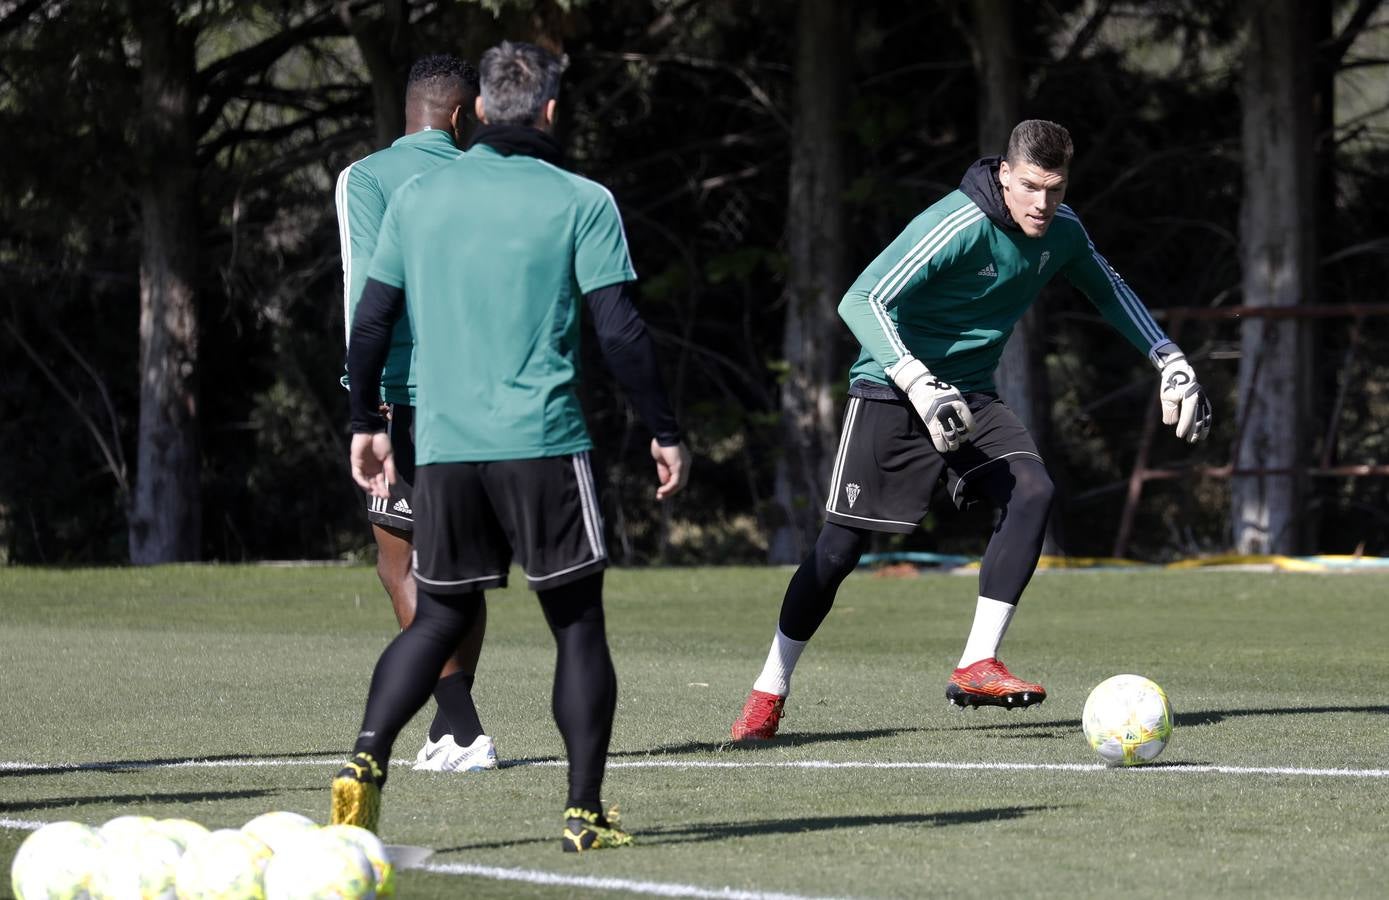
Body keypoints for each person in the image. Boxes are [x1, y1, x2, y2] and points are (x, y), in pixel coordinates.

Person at [730, 119, 1212, 740]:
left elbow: (1109, 290)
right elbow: (862, 298)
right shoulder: (958, 224)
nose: (1044, 204)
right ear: (1005, 175)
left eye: (1057, 190)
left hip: (972, 397)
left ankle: (976, 662)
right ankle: (770, 689)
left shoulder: (1062, 232)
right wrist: (918, 382)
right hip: (892, 389)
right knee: (839, 551)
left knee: (1034, 492)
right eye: (1032, 187)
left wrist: (1169, 357)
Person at [333, 40, 691, 852]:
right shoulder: (582, 199)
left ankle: (363, 761)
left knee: (436, 618)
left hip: (445, 446)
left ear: (482, 112)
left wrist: (365, 420)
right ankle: (583, 812)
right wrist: (664, 431)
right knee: (576, 626)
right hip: (542, 441)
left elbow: (372, 318)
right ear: (553, 112)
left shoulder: (417, 198)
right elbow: (622, 332)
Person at [334, 55, 498, 773]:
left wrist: (360, 401)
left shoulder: (365, 177)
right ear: (463, 115)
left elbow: (365, 292)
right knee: (457, 566)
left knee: (399, 558)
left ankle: (461, 728)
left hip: (403, 393)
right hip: (489, 394)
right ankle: (451, 729)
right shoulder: (494, 177)